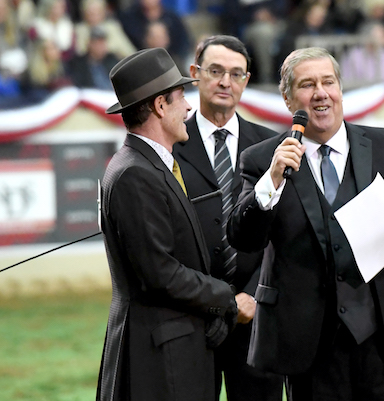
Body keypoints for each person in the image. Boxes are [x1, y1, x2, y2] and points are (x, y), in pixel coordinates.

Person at [227, 47, 384, 400]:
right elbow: (243, 237)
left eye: (328, 82)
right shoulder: (261, 160)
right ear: (287, 99)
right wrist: (271, 182)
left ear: (340, 90)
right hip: (310, 350)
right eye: (307, 85)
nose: (320, 93)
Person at [97, 47, 238, 401]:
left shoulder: (146, 165)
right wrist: (227, 297)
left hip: (171, 353)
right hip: (159, 363)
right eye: (181, 98)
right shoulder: (135, 173)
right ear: (161, 106)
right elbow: (160, 274)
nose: (189, 107)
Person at [173, 35, 284, 401]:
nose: (225, 82)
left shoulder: (271, 147)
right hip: (190, 317)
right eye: (216, 71)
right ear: (195, 74)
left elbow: (282, 235)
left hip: (255, 321)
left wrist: (251, 296)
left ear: (247, 81)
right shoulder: (169, 143)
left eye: (236, 74)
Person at [67, 25, 119, 89]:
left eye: (103, 43)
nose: (101, 47)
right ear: (89, 44)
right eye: (97, 43)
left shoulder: (112, 59)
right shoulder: (78, 63)